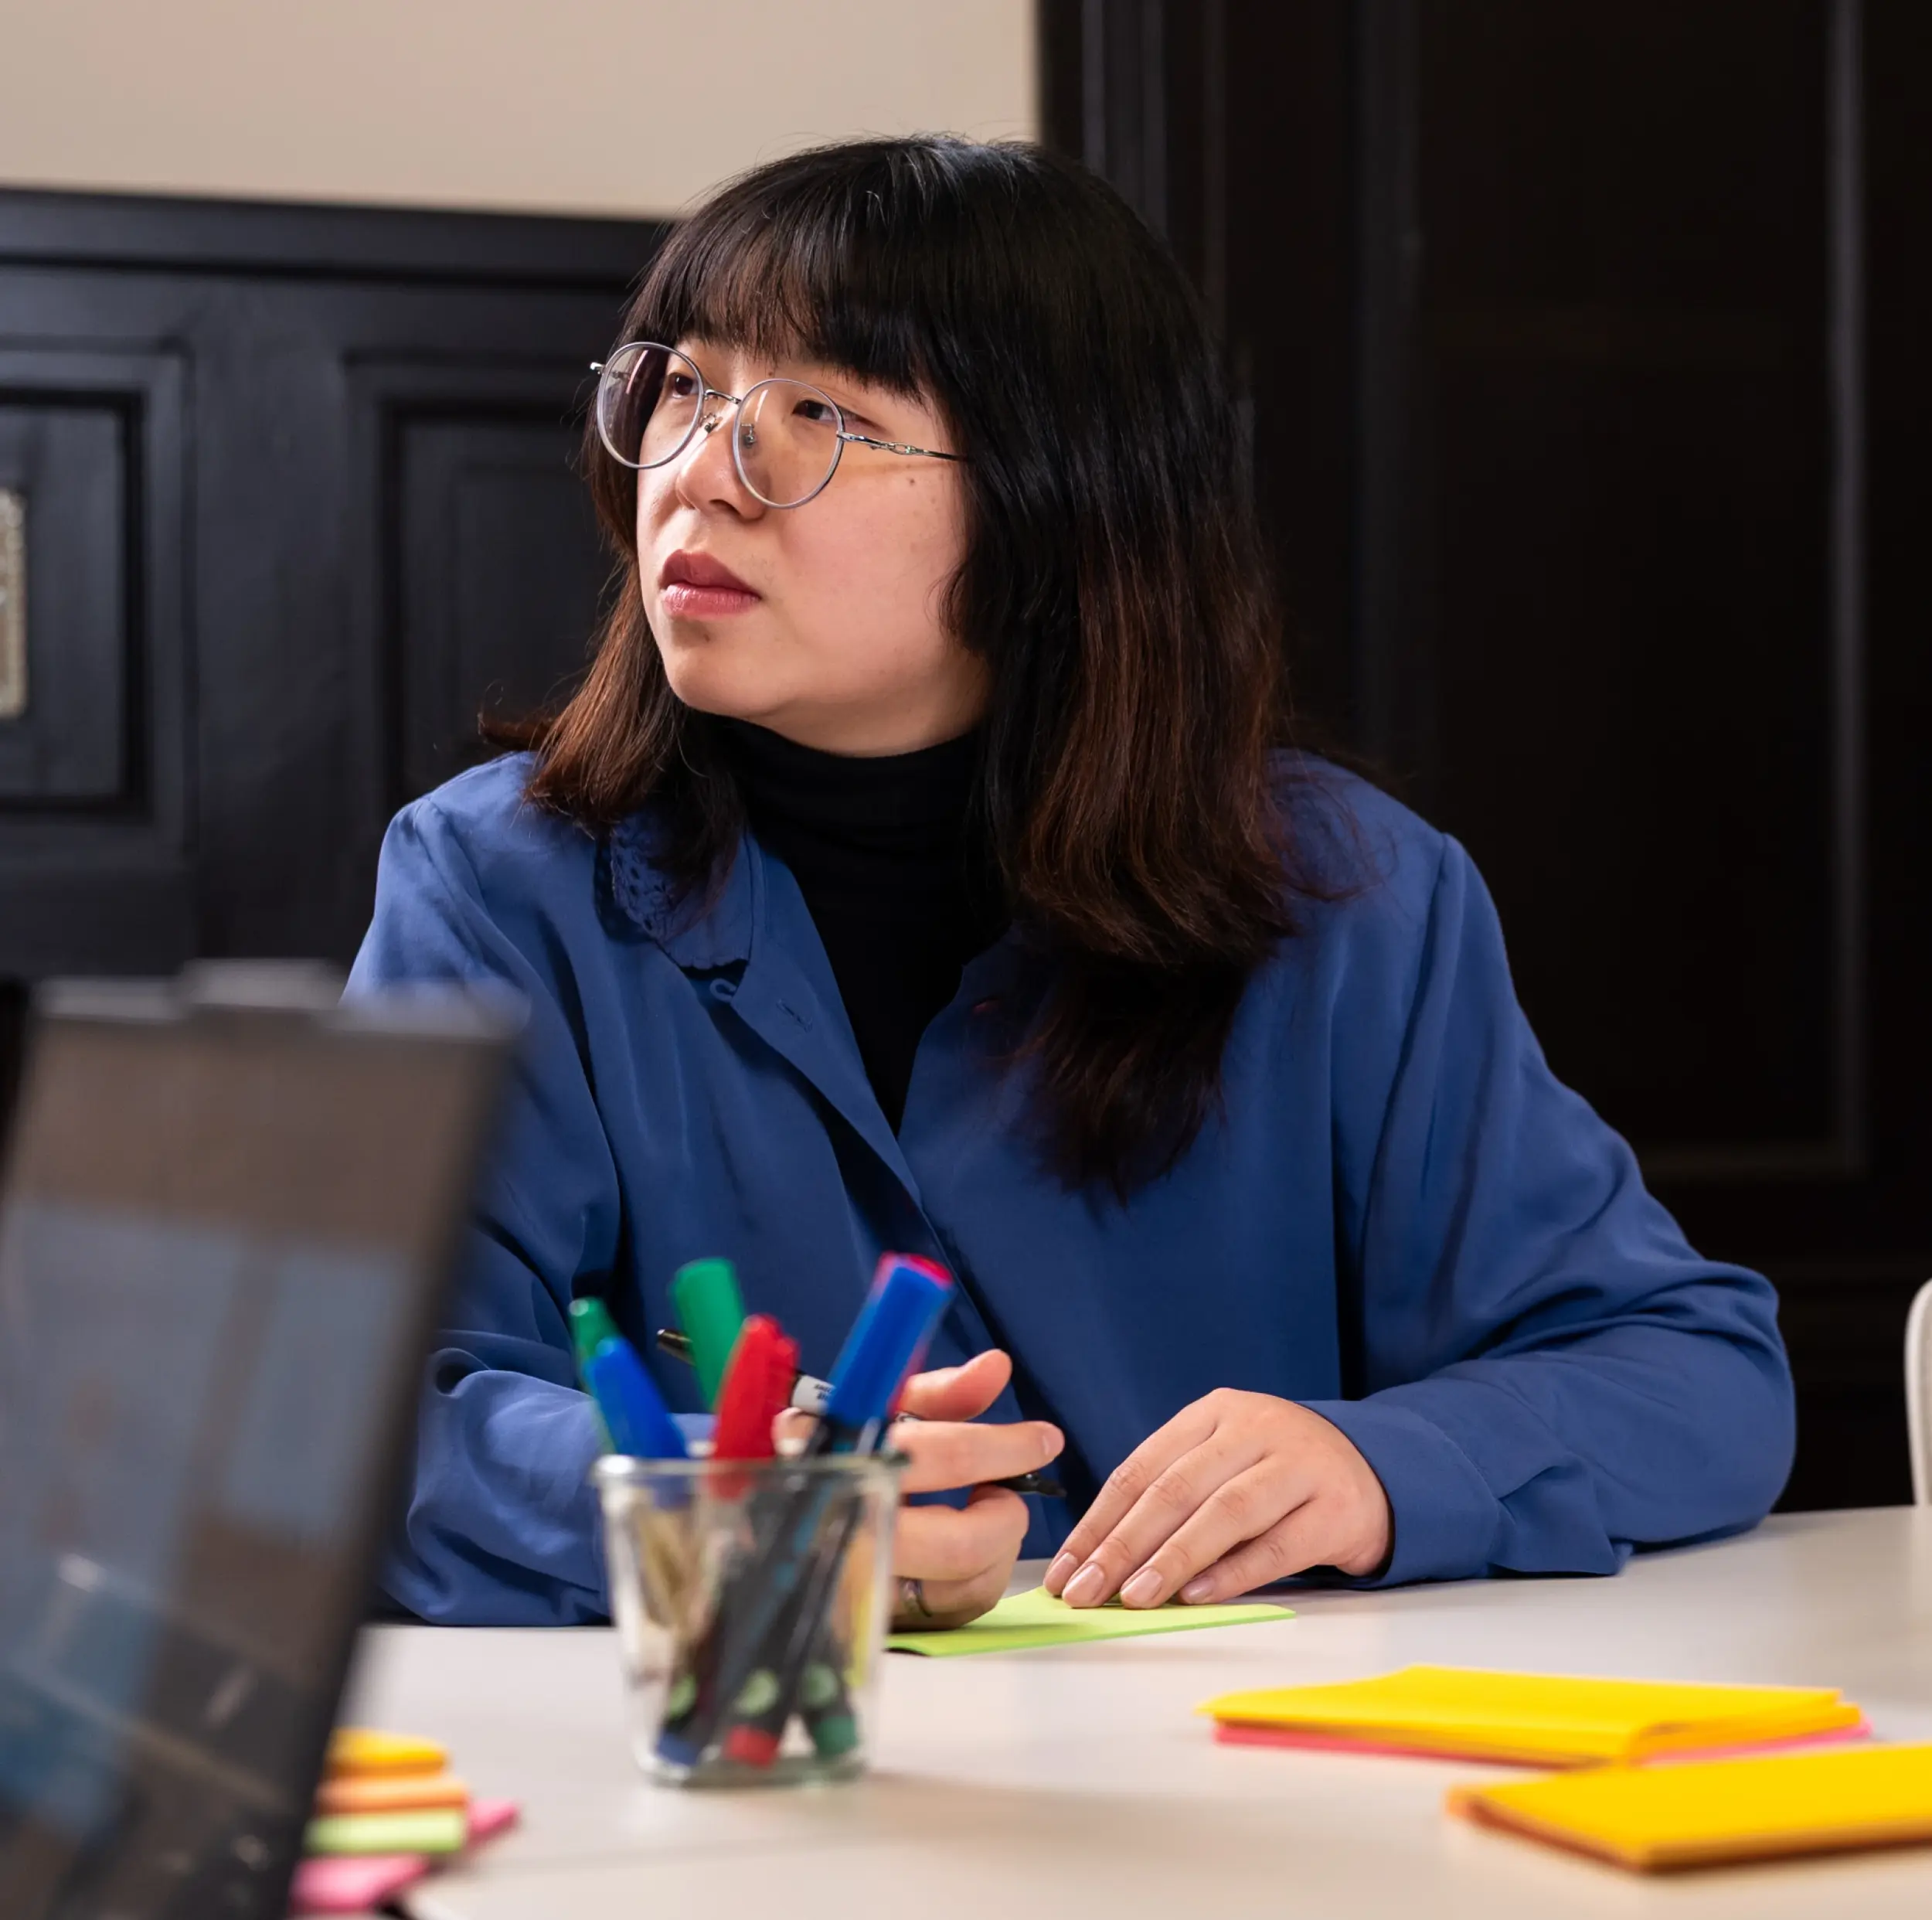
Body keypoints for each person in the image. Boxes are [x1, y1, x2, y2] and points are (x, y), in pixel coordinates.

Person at [348, 136, 1794, 1629]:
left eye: (822, 415)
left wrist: (1382, 1466)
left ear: (1058, 501)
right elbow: (360, 1417)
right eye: (685, 389)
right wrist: (713, 1502)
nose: (700, 475)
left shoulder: (1353, 900)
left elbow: (1693, 1372)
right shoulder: (496, 885)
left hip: (1238, 1765)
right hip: (757, 1757)